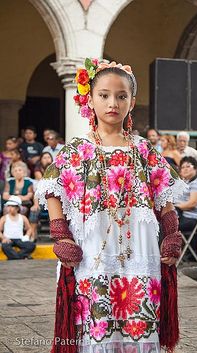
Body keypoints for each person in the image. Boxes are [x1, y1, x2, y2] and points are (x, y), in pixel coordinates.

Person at [36, 58, 187, 353]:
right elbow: (51, 187)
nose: (112, 103)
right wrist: (60, 235)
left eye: (121, 96)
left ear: (132, 101)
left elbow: (164, 194)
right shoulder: (76, 150)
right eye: (103, 95)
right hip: (92, 250)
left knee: (139, 321)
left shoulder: (144, 150)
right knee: (95, 322)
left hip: (140, 247)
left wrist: (171, 235)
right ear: (89, 99)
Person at [175, 156, 197, 258]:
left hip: (190, 218)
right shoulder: (187, 182)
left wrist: (175, 206)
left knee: (163, 225)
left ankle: (164, 256)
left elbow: (192, 203)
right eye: (182, 167)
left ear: (196, 168)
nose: (184, 169)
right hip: (181, 215)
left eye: (188, 166)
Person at [0, 196, 35, 260]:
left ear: (17, 208)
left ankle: (15, 257)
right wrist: (3, 238)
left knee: (31, 245)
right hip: (8, 239)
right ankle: (23, 256)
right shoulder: (4, 218)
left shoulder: (23, 217)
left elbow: (29, 229)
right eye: (9, 206)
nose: (10, 208)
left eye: (12, 206)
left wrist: (27, 236)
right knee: (5, 246)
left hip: (19, 239)